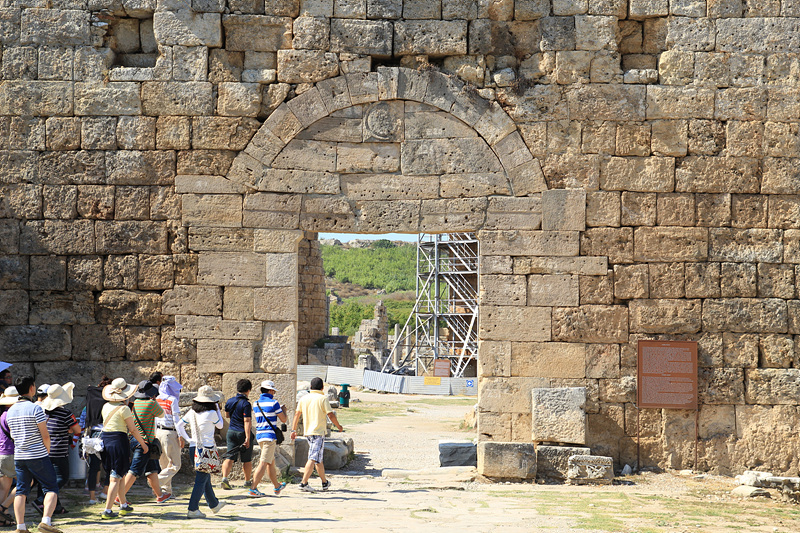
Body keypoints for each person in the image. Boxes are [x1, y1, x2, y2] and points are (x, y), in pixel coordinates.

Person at [6, 376, 63, 533]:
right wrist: (47, 451)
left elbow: (12, 434)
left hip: (20, 455)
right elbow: (45, 435)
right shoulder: (36, 409)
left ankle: (21, 527)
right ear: (32, 388)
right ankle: (46, 522)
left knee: (21, 491)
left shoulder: (10, 411)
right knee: (51, 486)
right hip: (37, 454)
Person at [99, 378, 148, 520]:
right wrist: (143, 444)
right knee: (115, 477)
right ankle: (107, 510)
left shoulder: (105, 406)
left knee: (118, 475)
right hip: (119, 442)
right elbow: (132, 429)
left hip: (106, 442)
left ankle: (123, 505)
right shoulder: (124, 409)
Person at [176, 385, 227, 519]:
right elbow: (220, 425)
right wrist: (217, 410)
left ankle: (214, 504)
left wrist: (188, 439)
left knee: (205, 478)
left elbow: (179, 425)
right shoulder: (212, 413)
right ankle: (193, 509)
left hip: (194, 448)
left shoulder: (192, 412)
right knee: (201, 479)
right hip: (206, 449)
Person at [291, 377, 342, 493]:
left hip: (308, 432)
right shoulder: (323, 398)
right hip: (318, 432)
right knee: (313, 457)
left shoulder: (304, 399)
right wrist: (338, 426)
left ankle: (324, 482)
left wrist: (293, 430)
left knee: (318, 459)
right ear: (322, 388)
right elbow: (331, 415)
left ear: (310, 387)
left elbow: (296, 414)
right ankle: (303, 483)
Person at [35, 384, 80, 515]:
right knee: (62, 478)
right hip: (59, 451)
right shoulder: (66, 413)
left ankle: (55, 507)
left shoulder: (42, 412)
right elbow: (77, 430)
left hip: (44, 449)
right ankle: (41, 498)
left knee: (48, 478)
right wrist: (68, 429)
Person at [121, 381, 170, 503]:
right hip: (144, 442)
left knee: (152, 469)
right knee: (134, 470)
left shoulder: (134, 403)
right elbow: (161, 414)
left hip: (135, 439)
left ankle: (159, 495)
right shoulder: (151, 403)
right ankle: (120, 497)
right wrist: (154, 400)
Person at [248, 380, 288, 498]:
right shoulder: (274, 403)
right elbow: (284, 419)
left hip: (260, 435)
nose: (274, 393)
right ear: (270, 391)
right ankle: (253, 488)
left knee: (270, 462)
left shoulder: (255, 404)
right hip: (269, 436)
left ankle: (277, 486)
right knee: (264, 462)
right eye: (273, 391)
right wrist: (283, 410)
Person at [220, 379, 253, 490]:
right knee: (246, 459)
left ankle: (224, 478)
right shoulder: (246, 404)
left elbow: (227, 415)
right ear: (249, 390)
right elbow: (247, 421)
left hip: (231, 431)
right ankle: (247, 481)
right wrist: (248, 437)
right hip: (242, 432)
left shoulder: (229, 401)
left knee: (230, 456)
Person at [83, 376, 111, 505]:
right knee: (111, 466)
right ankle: (105, 492)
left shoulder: (92, 397)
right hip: (107, 432)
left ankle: (92, 497)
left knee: (94, 467)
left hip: (94, 433)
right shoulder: (110, 399)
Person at [155, 376, 183, 496]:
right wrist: (181, 435)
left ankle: (166, 491)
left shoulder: (157, 399)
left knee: (164, 464)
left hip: (158, 432)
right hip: (170, 433)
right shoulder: (172, 400)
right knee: (176, 464)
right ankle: (156, 481)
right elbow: (176, 420)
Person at [0, 387, 19, 526]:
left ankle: (2, 519)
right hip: (12, 453)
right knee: (26, 482)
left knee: (4, 488)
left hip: (2, 453)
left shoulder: (2, 415)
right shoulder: (13, 414)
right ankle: (2, 508)